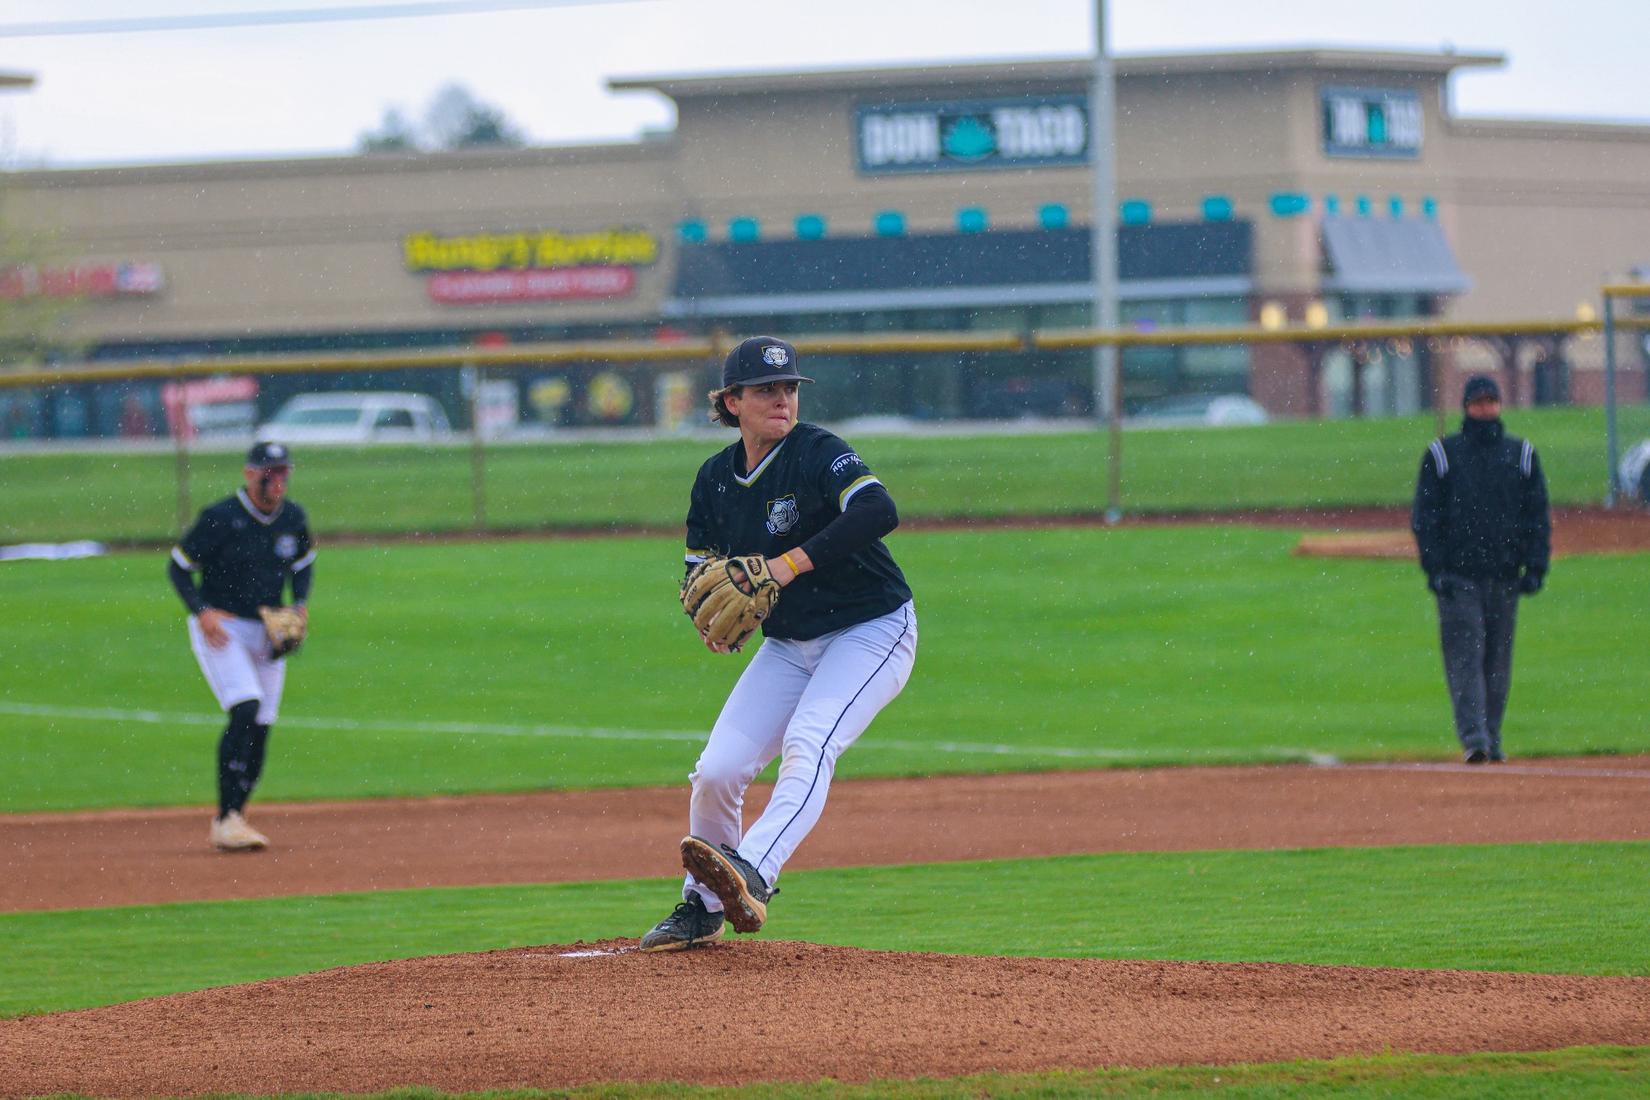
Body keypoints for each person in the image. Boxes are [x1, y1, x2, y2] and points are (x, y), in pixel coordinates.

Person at [640, 336, 918, 951]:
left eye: (789, 387)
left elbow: (878, 510)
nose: (782, 399)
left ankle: (755, 870)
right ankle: (705, 904)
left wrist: (787, 565)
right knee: (716, 772)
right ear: (731, 401)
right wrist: (710, 616)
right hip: (790, 645)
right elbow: (698, 571)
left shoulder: (818, 451)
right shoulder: (714, 479)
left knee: (809, 740)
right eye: (767, 389)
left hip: (871, 629)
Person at [168, 441, 314, 849]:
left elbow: (303, 565)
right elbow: (178, 568)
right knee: (245, 707)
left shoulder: (293, 518)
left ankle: (235, 817)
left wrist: (299, 605)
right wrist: (202, 611)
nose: (279, 480)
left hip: (269, 632)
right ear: (250, 475)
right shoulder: (220, 518)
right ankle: (226, 817)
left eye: (285, 471)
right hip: (224, 629)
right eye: (272, 472)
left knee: (262, 725)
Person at [1411, 375, 1550, 765]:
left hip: (1504, 575)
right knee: (1465, 658)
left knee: (1498, 662)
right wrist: (1434, 567)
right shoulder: (1442, 455)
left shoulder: (1520, 454)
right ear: (1466, 406)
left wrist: (1536, 565)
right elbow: (1426, 516)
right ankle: (1475, 738)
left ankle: (1492, 735)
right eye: (1479, 402)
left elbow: (1536, 515)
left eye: (1492, 401)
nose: (1486, 409)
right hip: (1458, 577)